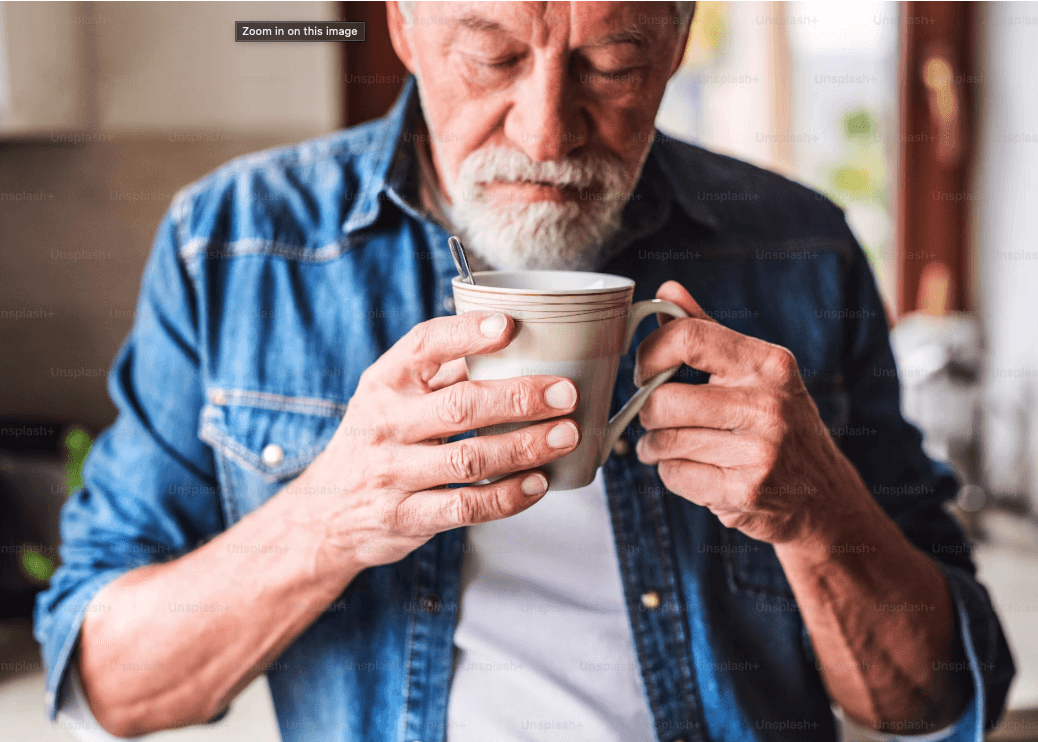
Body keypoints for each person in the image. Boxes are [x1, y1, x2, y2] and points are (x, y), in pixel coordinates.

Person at [35, 2, 1014, 741]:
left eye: (614, 63)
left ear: (675, 46)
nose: (547, 133)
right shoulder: (235, 243)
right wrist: (326, 517)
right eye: (493, 55)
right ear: (406, 29)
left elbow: (937, 694)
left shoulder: (800, 247)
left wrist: (818, 515)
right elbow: (108, 681)